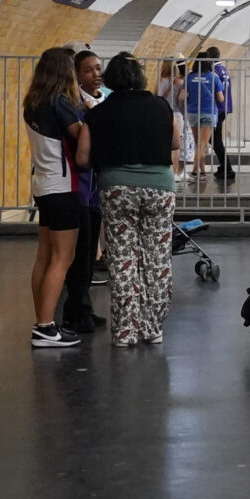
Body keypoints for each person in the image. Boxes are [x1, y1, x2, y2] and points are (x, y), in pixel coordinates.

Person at [84, 53, 180, 346]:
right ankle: (152, 328)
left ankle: (125, 331)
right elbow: (175, 143)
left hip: (117, 188)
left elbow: (84, 155)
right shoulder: (160, 106)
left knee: (123, 258)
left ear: (111, 79)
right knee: (157, 258)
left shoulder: (98, 113)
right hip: (159, 187)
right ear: (139, 78)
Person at [22, 46, 91, 350]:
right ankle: (45, 327)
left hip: (42, 183)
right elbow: (80, 135)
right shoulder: (60, 103)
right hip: (63, 185)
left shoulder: (33, 102)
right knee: (63, 259)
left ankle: (43, 320)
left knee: (44, 256)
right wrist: (90, 115)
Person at [58, 49, 107, 334]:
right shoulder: (72, 105)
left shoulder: (97, 100)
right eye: (89, 70)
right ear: (76, 73)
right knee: (81, 251)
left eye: (99, 68)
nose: (96, 74)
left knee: (90, 254)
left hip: (93, 187)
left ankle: (83, 306)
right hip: (79, 186)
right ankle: (75, 309)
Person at [181, 48, 231, 186]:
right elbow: (221, 98)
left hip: (192, 113)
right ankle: (194, 173)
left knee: (198, 144)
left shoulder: (189, 77)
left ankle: (202, 173)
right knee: (202, 145)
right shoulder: (213, 77)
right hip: (209, 112)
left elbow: (181, 96)